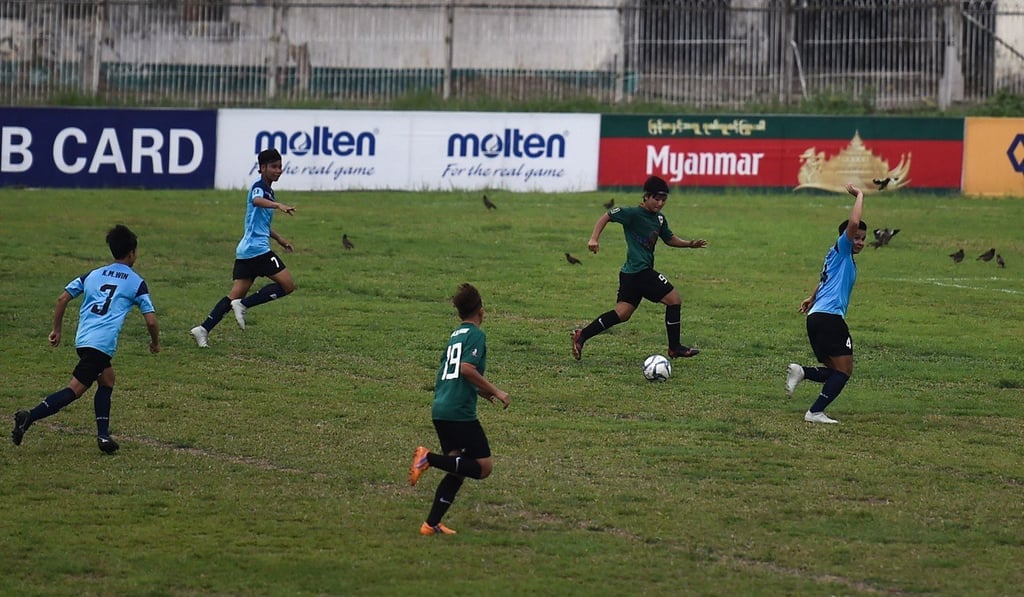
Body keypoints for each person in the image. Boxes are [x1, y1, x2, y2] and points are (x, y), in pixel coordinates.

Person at [12, 224, 160, 454]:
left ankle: (103, 436)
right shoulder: (136, 282)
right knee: (74, 390)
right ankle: (29, 417)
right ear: (132, 253)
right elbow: (151, 321)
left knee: (107, 380)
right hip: (101, 345)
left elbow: (62, 299)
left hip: (83, 339)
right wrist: (155, 343)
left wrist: (57, 330)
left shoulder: (93, 274)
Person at [409, 283, 510, 536]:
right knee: (483, 467)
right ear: (481, 311)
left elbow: (451, 373)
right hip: (458, 412)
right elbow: (465, 368)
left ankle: (430, 524)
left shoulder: (455, 335)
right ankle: (426, 458)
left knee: (457, 468)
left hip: (442, 408)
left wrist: (480, 391)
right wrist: (496, 390)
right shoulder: (476, 335)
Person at [571, 175, 707, 361]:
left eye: (664, 199)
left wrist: (689, 244)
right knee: (674, 299)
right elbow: (607, 215)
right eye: (656, 199)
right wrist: (594, 238)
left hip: (630, 275)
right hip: (640, 271)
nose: (660, 203)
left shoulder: (659, 219)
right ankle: (674, 348)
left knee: (622, 313)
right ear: (646, 196)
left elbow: (669, 239)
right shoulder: (632, 213)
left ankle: (582, 335)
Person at [190, 148, 297, 347]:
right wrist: (278, 205)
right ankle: (244, 305)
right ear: (262, 168)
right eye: (274, 167)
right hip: (258, 252)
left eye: (280, 167)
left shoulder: (269, 191)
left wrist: (279, 238)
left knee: (234, 295)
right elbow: (256, 200)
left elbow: (260, 223)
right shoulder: (259, 188)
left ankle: (203, 329)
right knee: (288, 285)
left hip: (246, 252)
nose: (278, 171)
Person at [786, 183, 867, 424]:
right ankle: (815, 412)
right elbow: (852, 224)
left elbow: (825, 280)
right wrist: (860, 195)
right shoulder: (842, 249)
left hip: (817, 317)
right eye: (857, 238)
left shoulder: (839, 257)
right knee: (845, 370)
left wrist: (812, 298)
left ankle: (802, 372)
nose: (860, 242)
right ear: (847, 238)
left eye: (864, 239)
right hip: (830, 318)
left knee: (835, 371)